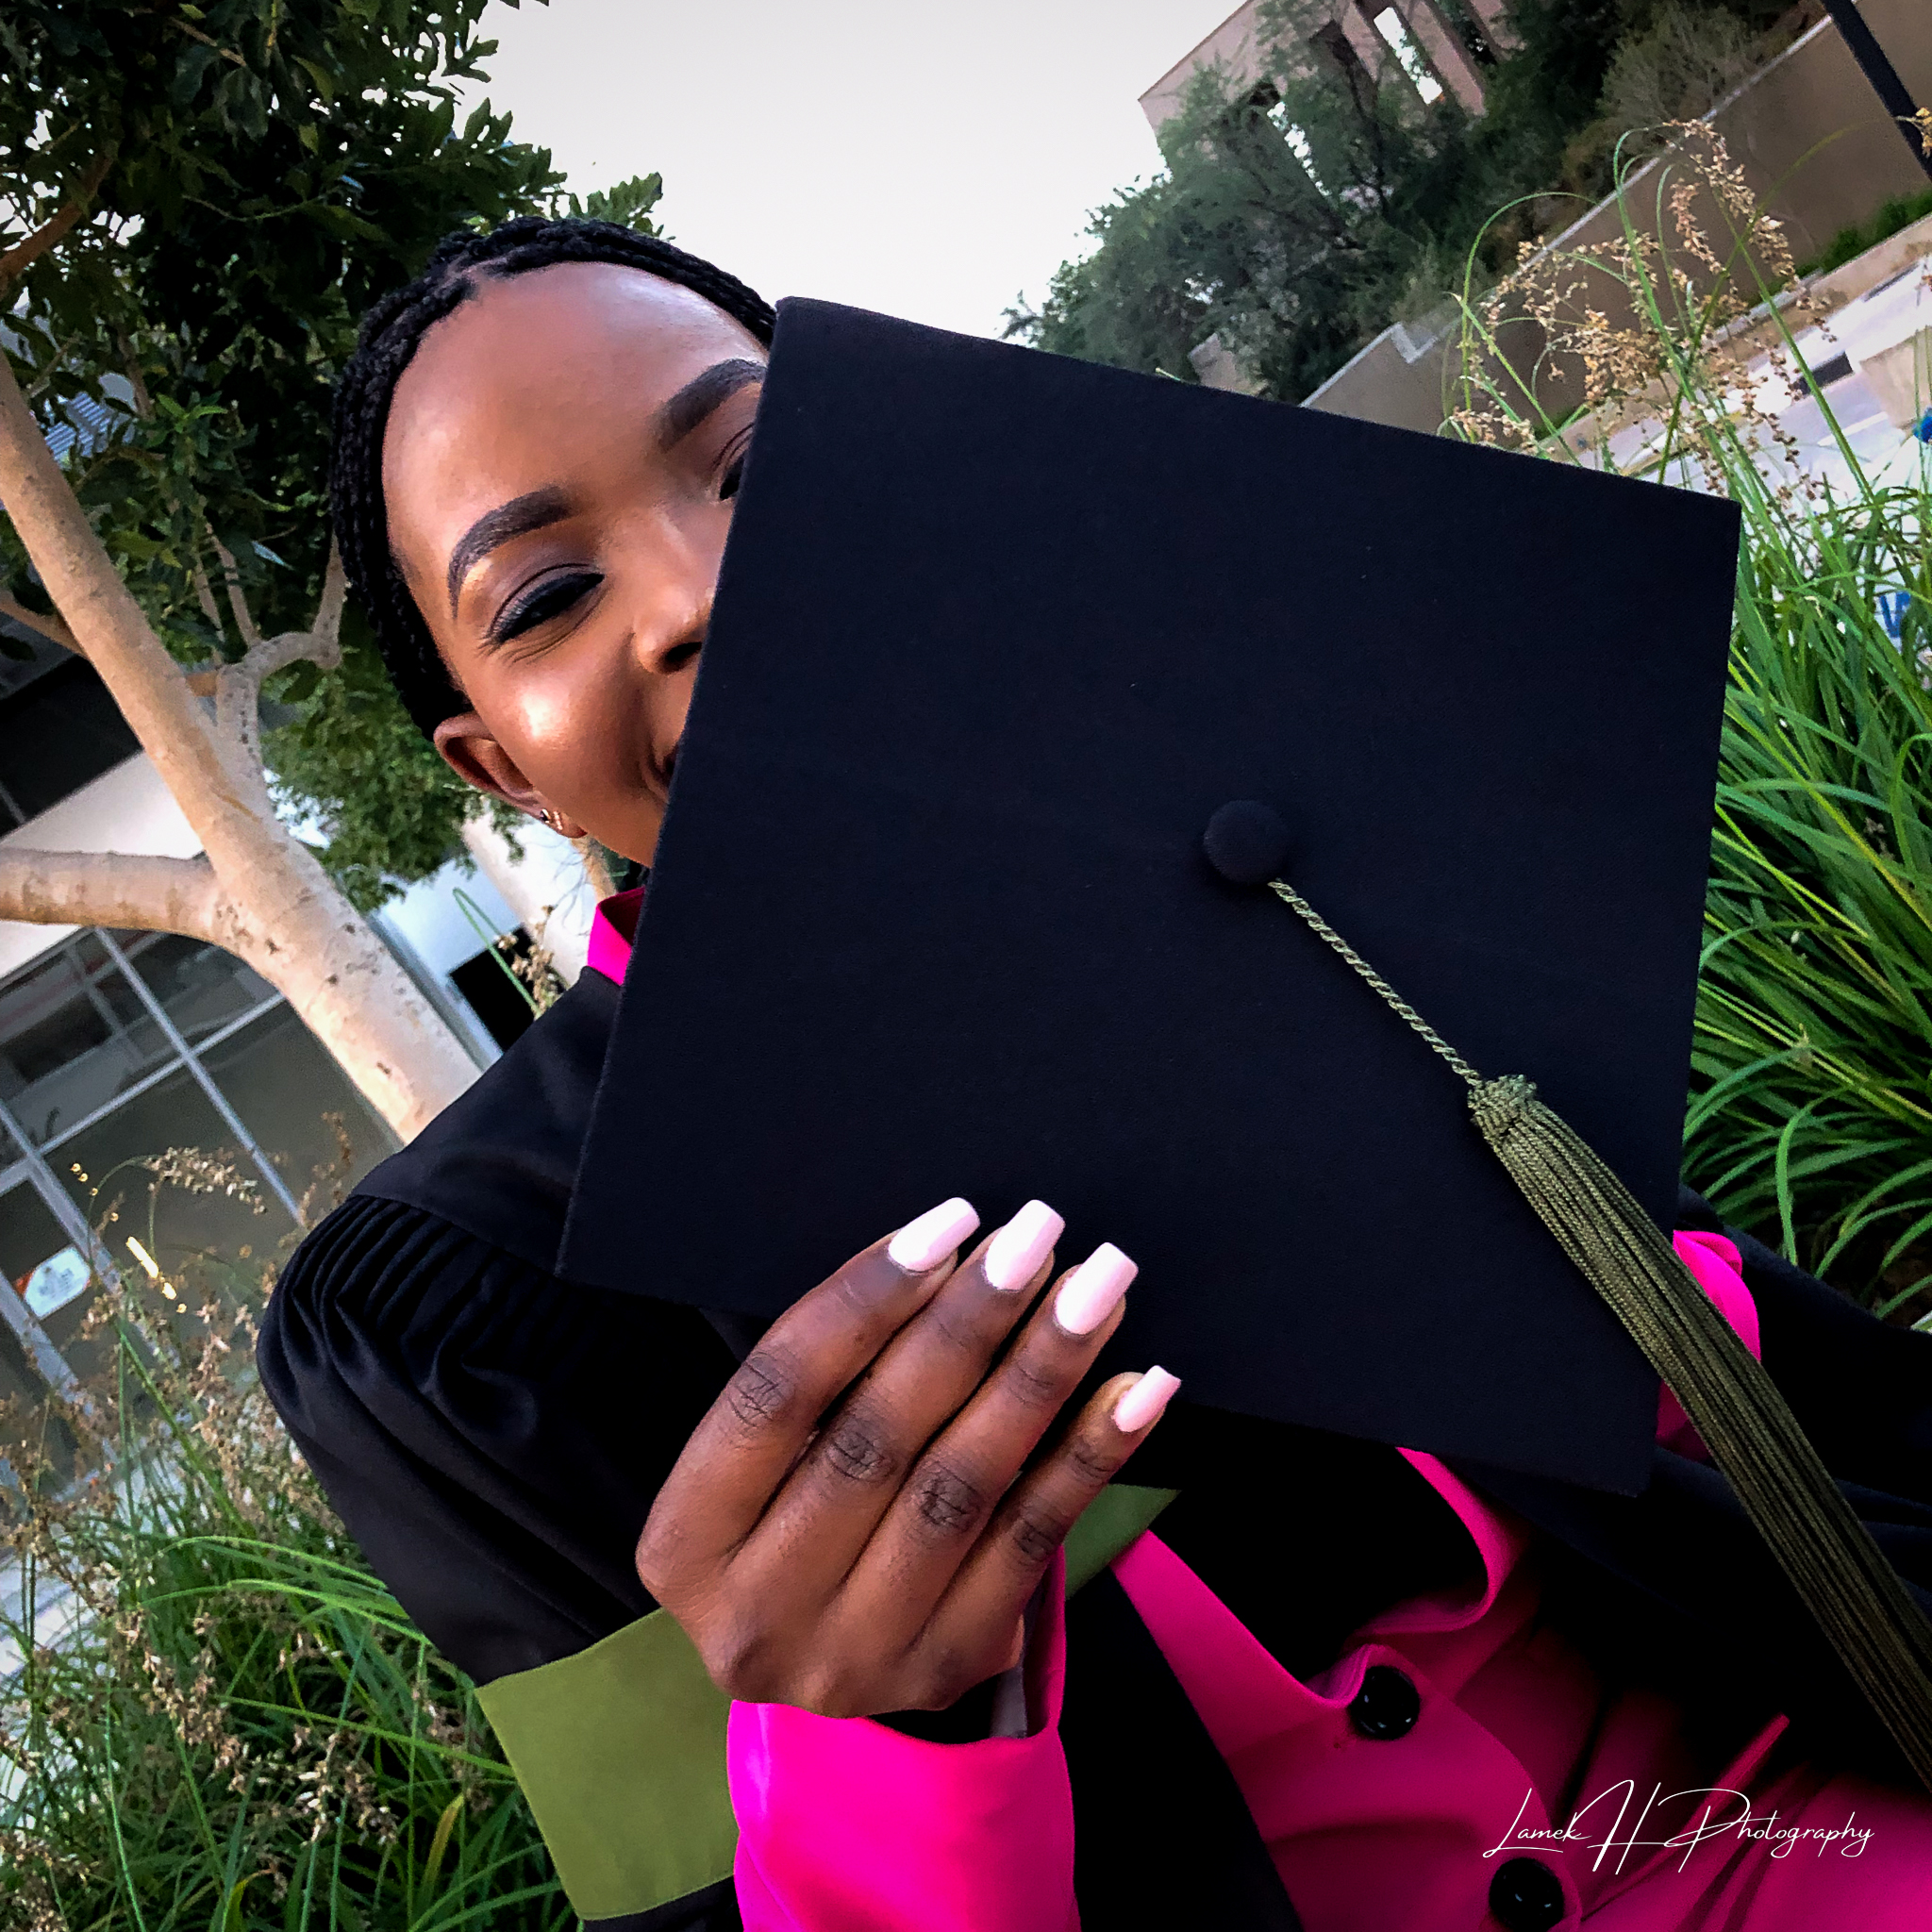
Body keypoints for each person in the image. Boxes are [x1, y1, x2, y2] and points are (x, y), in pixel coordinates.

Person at [261, 217, 1932, 1932]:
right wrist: (872, 1749)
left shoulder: (1263, 847)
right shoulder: (470, 1327)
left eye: (755, 464)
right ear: (502, 766)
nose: (705, 596)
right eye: (542, 598)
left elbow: (1779, 1439)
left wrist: (1575, 1311)